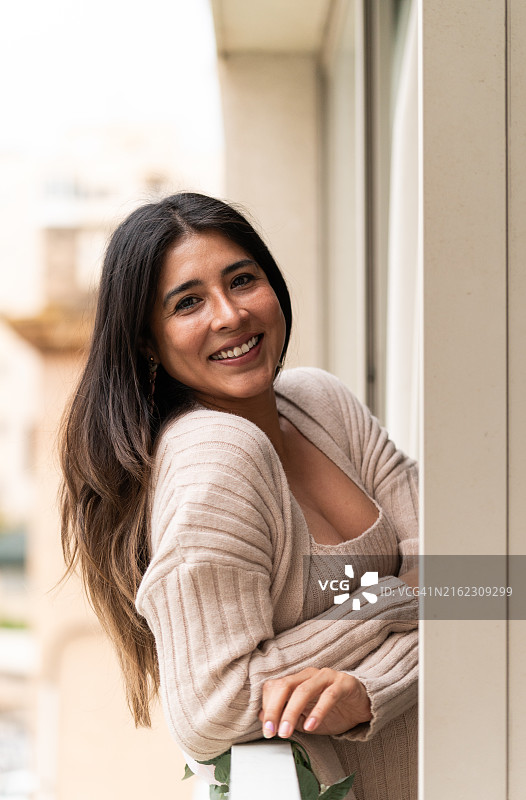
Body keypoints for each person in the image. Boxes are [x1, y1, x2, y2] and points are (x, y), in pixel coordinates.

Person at [60, 192, 419, 800]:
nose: (229, 315)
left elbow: (483, 587)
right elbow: (213, 706)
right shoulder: (216, 454)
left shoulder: (321, 403)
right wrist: (402, 596)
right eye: (188, 302)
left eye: (242, 280)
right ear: (147, 341)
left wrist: (368, 688)